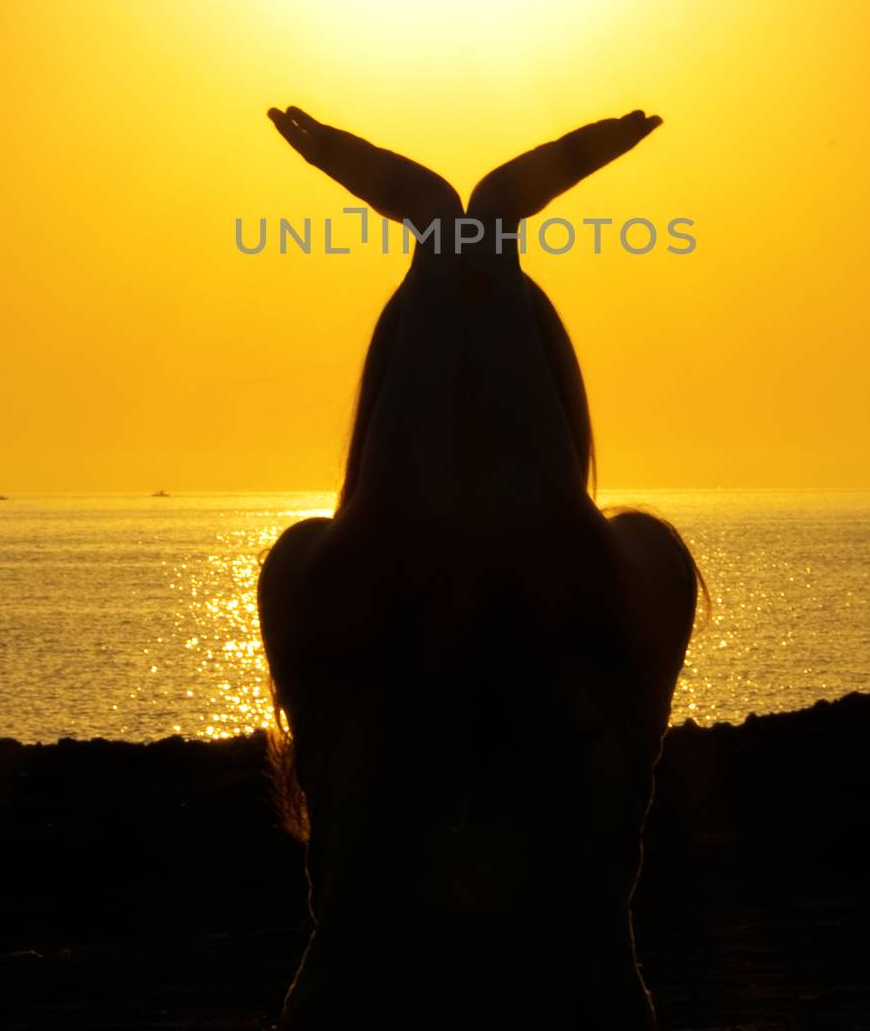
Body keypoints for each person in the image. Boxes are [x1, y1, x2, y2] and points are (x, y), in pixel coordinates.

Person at [257, 106, 700, 1029]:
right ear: (555, 396)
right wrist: (485, 213)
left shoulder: (317, 589)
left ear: (383, 406)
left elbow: (449, 514)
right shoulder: (633, 585)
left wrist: (439, 215)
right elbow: (506, 511)